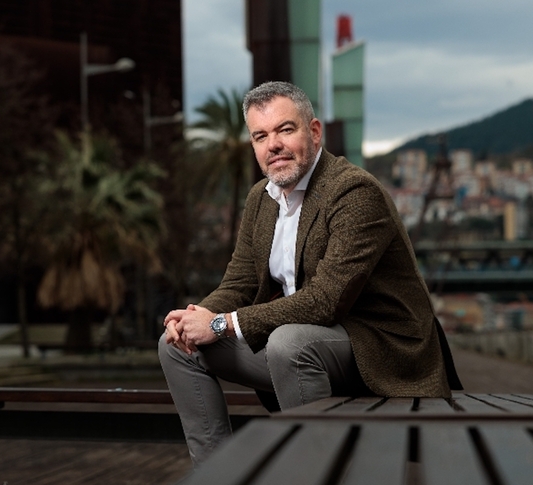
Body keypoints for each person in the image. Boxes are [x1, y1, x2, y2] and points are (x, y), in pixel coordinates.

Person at [160, 81, 461, 464]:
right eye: (261, 136)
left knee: (290, 343)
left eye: (285, 129)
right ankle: (217, 473)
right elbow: (240, 282)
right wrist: (196, 318)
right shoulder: (261, 199)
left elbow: (325, 301)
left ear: (314, 132)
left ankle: (316, 472)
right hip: (307, 348)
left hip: (383, 350)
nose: (273, 145)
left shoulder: (354, 192)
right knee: (175, 346)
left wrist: (220, 325)